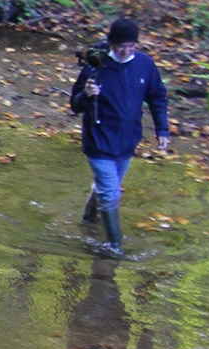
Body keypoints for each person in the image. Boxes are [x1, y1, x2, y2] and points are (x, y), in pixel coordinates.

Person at [70, 16, 169, 255]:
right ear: (111, 44)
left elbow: (158, 97)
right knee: (111, 191)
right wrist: (86, 94)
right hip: (99, 138)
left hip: (128, 139)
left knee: (109, 186)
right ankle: (115, 245)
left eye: (130, 46)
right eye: (120, 46)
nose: (125, 51)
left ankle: (88, 218)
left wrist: (162, 130)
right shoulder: (95, 67)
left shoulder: (145, 65)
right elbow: (75, 106)